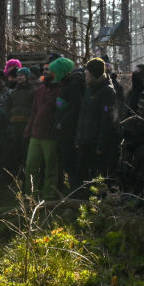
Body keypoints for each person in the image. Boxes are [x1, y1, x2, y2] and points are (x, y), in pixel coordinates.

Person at [24, 57, 68, 198]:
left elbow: (62, 112)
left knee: (51, 168)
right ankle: (30, 196)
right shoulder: (40, 90)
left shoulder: (62, 90)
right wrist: (28, 130)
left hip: (51, 136)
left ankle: (48, 197)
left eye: (48, 69)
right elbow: (34, 112)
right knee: (31, 166)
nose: (45, 71)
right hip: (36, 134)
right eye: (44, 69)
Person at [75, 57, 119, 190]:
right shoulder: (89, 90)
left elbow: (107, 119)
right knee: (83, 175)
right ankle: (82, 205)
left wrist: (101, 144)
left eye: (87, 74)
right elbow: (83, 115)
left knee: (98, 177)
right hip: (85, 140)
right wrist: (79, 137)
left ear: (94, 74)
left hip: (97, 144)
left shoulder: (107, 91)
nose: (85, 76)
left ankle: (99, 204)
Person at [55, 58, 85, 192]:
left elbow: (75, 107)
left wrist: (62, 122)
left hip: (70, 131)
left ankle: (77, 192)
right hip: (65, 130)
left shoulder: (73, 85)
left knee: (71, 162)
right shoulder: (66, 84)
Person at [7, 67, 35, 174]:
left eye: (22, 75)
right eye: (18, 75)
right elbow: (8, 108)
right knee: (15, 152)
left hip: (27, 127)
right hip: (14, 127)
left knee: (26, 152)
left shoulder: (33, 91)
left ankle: (26, 175)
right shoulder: (13, 93)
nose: (19, 77)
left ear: (27, 77)